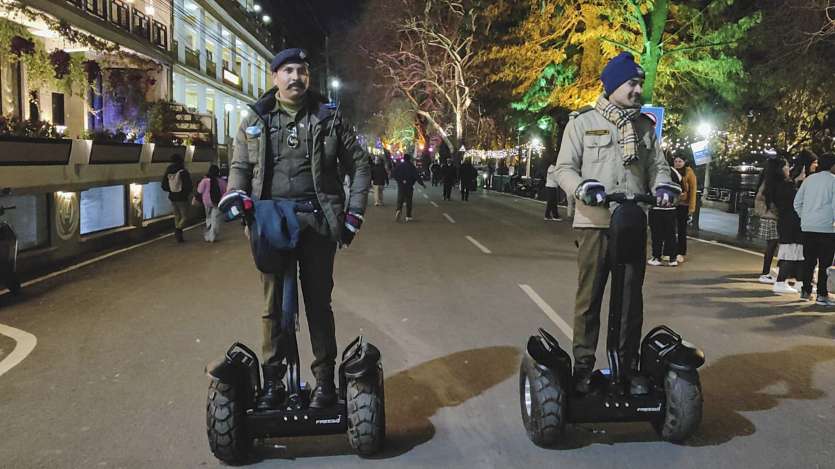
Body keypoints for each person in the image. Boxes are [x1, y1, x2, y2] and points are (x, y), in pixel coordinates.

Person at [226, 48, 370, 410]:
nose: (296, 77)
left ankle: (324, 382)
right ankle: (272, 382)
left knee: (318, 304)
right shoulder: (254, 120)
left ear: (309, 77)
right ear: (274, 77)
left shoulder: (330, 118)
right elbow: (240, 166)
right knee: (272, 305)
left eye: (302, 71)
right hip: (269, 221)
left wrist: (353, 215)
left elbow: (360, 165)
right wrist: (235, 196)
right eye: (287, 70)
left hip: (318, 221)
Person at [555, 52, 677, 392]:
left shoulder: (644, 128)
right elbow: (563, 168)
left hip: (633, 222)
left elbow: (658, 167)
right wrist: (583, 187)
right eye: (631, 84)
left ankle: (625, 367)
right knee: (590, 298)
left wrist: (664, 185)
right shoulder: (582, 123)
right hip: (595, 222)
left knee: (629, 299)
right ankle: (582, 368)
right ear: (612, 86)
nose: (638, 90)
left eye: (640, 84)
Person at [794, 153, 835, 306]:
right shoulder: (833, 181)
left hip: (808, 227)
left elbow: (797, 203)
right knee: (825, 264)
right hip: (827, 229)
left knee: (809, 261)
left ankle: (806, 291)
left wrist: (805, 217)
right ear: (832, 165)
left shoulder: (809, 179)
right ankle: (822, 294)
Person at [769, 157, 804, 294]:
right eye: (786, 166)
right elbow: (792, 203)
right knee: (790, 254)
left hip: (789, 223)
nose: (788, 169)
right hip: (790, 224)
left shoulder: (780, 184)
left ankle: (798, 282)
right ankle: (780, 282)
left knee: (797, 254)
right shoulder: (785, 185)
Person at [755, 158, 782, 283]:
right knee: (772, 245)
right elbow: (769, 201)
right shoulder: (771, 182)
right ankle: (766, 273)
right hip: (772, 217)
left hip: (767, 216)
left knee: (771, 246)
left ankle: (766, 271)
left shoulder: (766, 180)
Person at [647, 157, 678, 266]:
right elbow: (680, 188)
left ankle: (657, 257)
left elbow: (647, 189)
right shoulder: (675, 173)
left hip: (656, 209)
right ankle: (672, 258)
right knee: (671, 234)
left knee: (657, 235)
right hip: (671, 209)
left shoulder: (652, 173)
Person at [161, 153, 192, 243]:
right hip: (182, 197)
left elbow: (164, 185)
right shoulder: (183, 171)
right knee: (185, 216)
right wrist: (186, 193)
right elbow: (188, 185)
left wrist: (171, 190)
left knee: (177, 216)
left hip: (172, 197)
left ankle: (179, 236)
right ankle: (178, 229)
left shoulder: (168, 171)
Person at [672, 151, 697, 263]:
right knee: (670, 229)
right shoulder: (671, 171)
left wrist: (691, 207)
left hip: (683, 205)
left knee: (681, 229)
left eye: (680, 161)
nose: (677, 163)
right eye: (676, 161)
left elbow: (693, 190)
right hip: (672, 204)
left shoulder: (689, 172)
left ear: (684, 162)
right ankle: (671, 250)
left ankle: (681, 252)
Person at [196, 164, 228, 242]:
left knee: (209, 218)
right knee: (215, 219)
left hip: (206, 202)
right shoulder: (222, 181)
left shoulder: (205, 180)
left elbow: (199, 191)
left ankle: (208, 233)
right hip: (217, 202)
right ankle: (212, 236)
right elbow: (225, 191)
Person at [392, 154, 425, 221]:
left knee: (400, 198)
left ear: (403, 158)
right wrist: (422, 184)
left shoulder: (399, 165)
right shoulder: (411, 166)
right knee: (409, 200)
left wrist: (399, 180)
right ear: (409, 159)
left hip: (401, 185)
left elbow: (394, 174)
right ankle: (408, 216)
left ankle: (398, 210)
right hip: (409, 185)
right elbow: (416, 176)